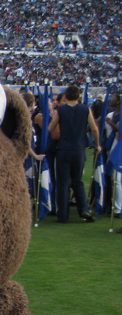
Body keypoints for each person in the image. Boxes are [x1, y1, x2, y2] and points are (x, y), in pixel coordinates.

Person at [48, 84, 101, 223]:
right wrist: (97, 144)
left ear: (65, 97)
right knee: (77, 181)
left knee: (63, 182)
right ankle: (83, 209)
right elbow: (94, 129)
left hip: (63, 149)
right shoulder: (85, 109)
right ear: (79, 97)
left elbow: (51, 128)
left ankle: (62, 215)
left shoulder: (61, 110)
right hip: (79, 149)